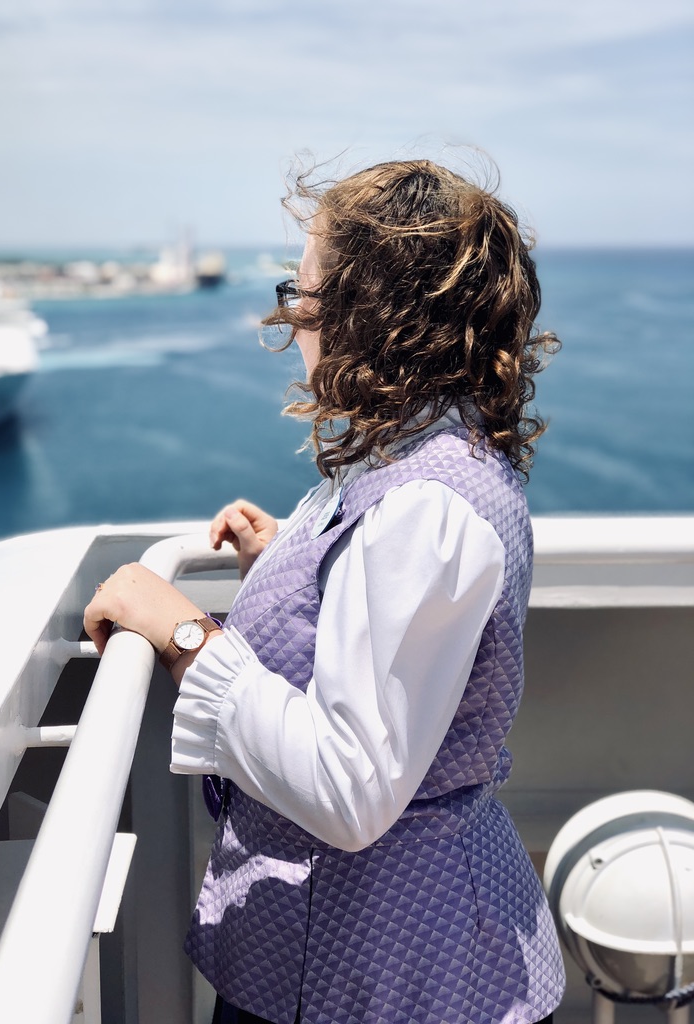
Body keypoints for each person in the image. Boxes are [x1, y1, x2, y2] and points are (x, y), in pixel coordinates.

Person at [84, 158, 565, 1024]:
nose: (291, 315)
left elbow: (351, 787)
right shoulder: (424, 458)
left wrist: (186, 635)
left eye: (301, 290)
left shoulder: (424, 506)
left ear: (368, 310)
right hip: (372, 957)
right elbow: (379, 633)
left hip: (395, 978)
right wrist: (285, 569)